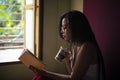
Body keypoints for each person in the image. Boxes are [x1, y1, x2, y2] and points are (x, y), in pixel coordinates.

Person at [30, 10, 105, 80]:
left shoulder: (87, 47)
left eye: (65, 27)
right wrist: (67, 60)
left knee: (41, 77)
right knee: (39, 77)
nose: (62, 31)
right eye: (62, 27)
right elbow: (71, 73)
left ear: (76, 27)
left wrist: (45, 73)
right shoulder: (75, 46)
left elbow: (73, 78)